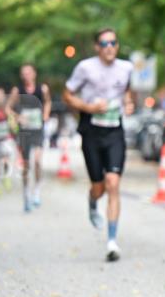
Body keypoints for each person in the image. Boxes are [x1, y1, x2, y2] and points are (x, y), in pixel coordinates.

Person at [62, 28, 134, 262]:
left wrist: (129, 103)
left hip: (115, 131)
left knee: (113, 183)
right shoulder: (85, 68)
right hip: (91, 132)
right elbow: (67, 95)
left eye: (113, 42)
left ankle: (112, 241)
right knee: (100, 188)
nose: (109, 47)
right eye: (104, 43)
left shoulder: (126, 68)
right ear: (97, 47)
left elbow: (127, 93)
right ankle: (92, 201)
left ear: (118, 45)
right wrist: (89, 107)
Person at [8, 64, 51, 212]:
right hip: (25, 131)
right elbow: (8, 108)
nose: (26, 75)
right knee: (26, 165)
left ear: (34, 74)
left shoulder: (42, 89)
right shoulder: (17, 91)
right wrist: (18, 117)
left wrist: (45, 114)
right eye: (23, 73)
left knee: (38, 161)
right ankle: (26, 192)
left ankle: (37, 190)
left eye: (29, 72)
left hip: (38, 129)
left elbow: (48, 102)